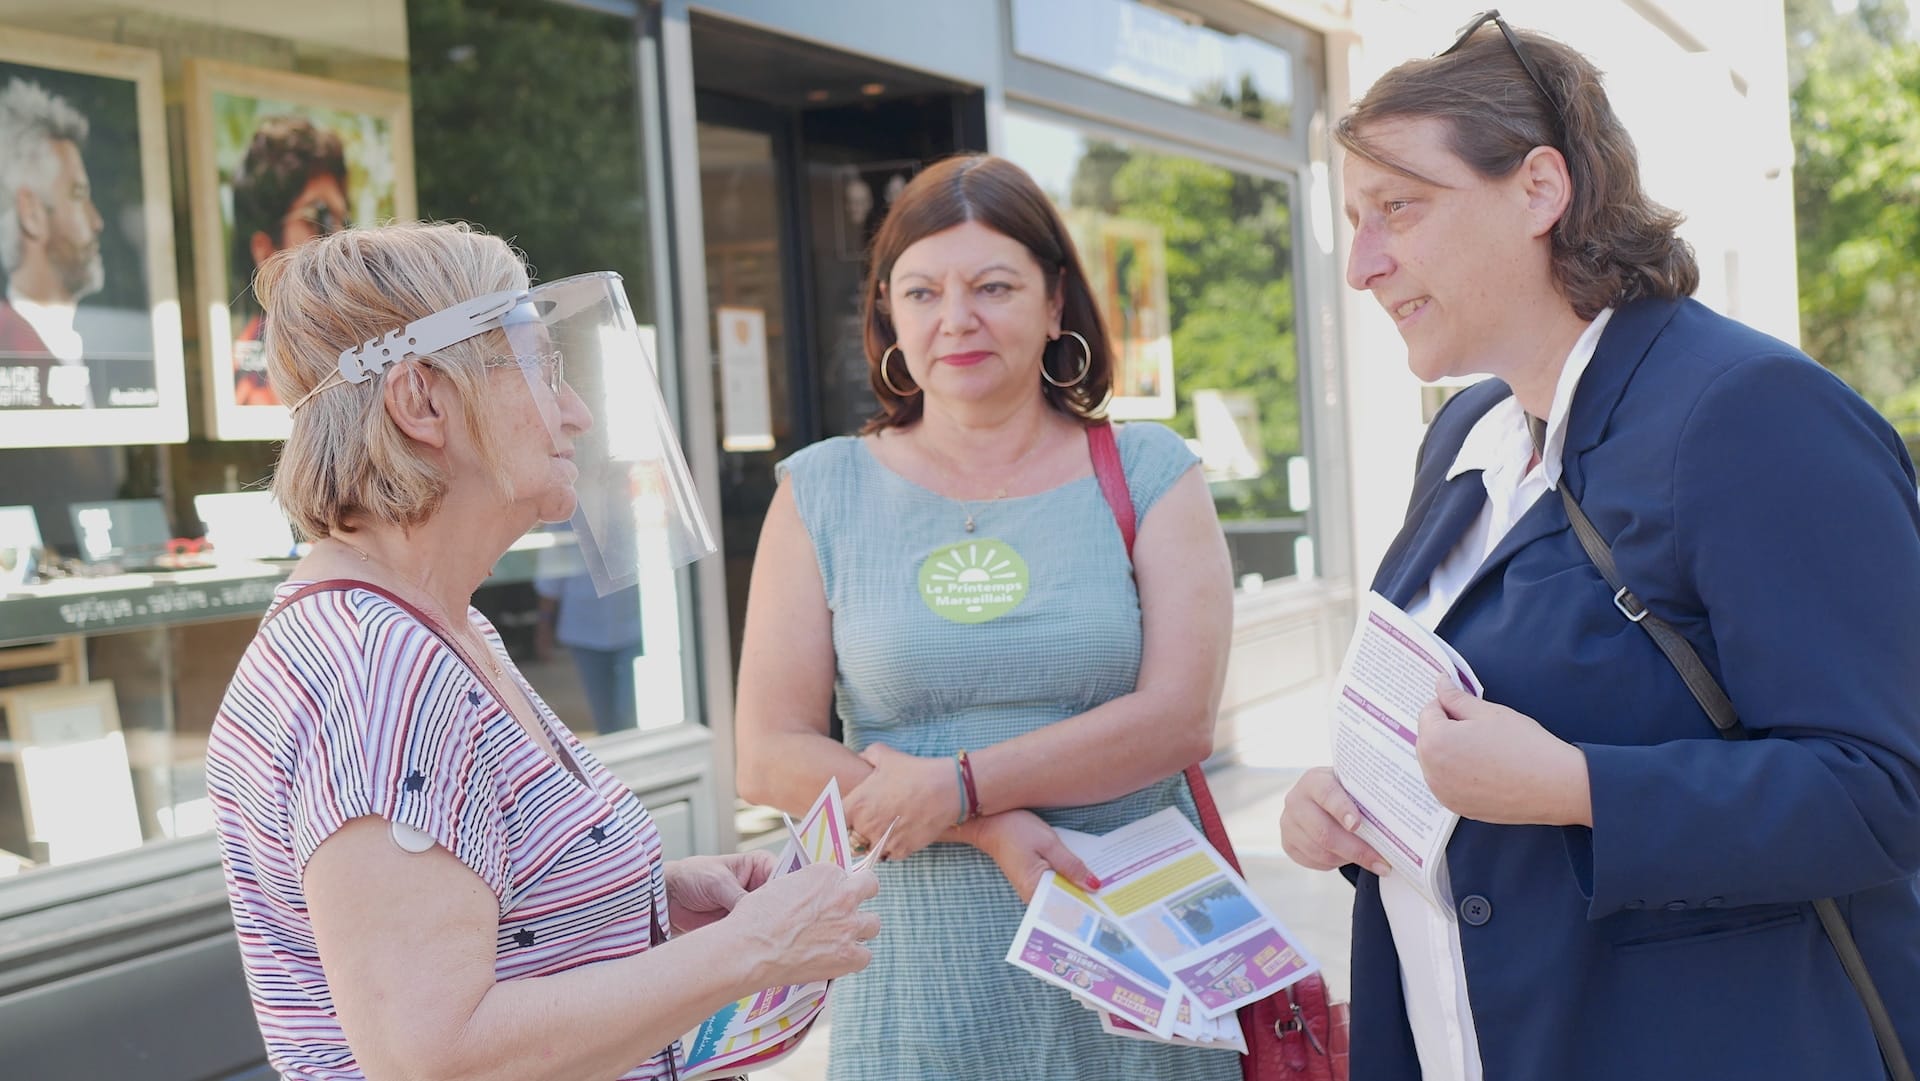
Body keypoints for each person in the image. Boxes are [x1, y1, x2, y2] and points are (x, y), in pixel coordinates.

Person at [1279, 14, 1920, 1081]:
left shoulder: (1752, 414)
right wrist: (1351, 805)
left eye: (1399, 207)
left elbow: (1885, 789)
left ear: (1540, 189)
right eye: (1354, 219)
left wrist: (1579, 785)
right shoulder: (1467, 434)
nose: (1363, 264)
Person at [205, 221, 879, 1081]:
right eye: (537, 363)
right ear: (422, 403)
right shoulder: (381, 671)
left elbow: (473, 912)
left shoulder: (439, 628)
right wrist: (752, 948)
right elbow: (439, 1055)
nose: (576, 409)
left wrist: (638, 900)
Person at [733, 153, 1240, 1080]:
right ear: (888, 314)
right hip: (920, 973)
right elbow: (768, 752)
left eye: (993, 286)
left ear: (1055, 304)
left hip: (1132, 950)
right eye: (921, 292)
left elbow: (1179, 718)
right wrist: (982, 821)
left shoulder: (1150, 472)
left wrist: (963, 782)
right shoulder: (822, 488)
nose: (955, 319)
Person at [227, 115, 351, 405]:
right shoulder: (249, 385)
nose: (338, 238)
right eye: (317, 218)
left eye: (343, 220)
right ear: (265, 251)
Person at [0, 76, 104, 409]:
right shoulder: (11, 343)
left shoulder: (82, 343)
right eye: (78, 196)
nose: (97, 221)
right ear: (31, 214)